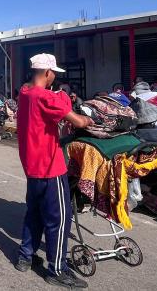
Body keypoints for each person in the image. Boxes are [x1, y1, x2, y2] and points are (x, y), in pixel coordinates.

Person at [15, 53, 93, 289]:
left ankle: (25, 256)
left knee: (34, 213)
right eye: (54, 74)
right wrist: (88, 120)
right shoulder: (45, 96)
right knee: (59, 220)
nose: (54, 79)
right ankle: (57, 269)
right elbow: (78, 121)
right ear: (48, 73)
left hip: (32, 166)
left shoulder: (25, 92)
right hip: (50, 167)